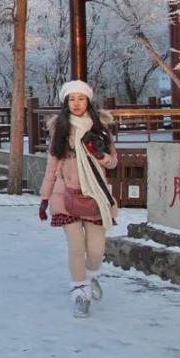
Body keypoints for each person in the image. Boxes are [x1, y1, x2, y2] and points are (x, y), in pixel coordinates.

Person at [37, 80, 118, 318]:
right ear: (65, 102)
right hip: (66, 194)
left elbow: (113, 162)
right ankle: (80, 293)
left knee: (96, 249)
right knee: (76, 246)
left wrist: (100, 155)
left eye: (81, 98)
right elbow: (52, 167)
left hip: (95, 195)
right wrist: (45, 198)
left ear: (88, 101)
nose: (76, 103)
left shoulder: (100, 128)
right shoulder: (60, 130)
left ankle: (91, 276)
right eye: (71, 99)